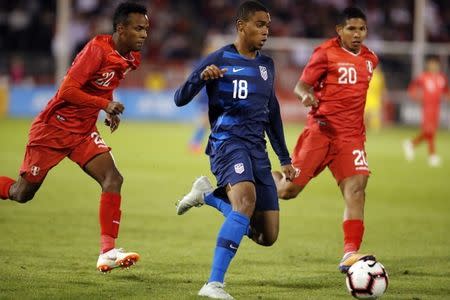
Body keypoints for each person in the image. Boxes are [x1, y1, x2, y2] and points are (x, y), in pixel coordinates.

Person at [0, 2, 149, 273]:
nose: (144, 34)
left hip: (83, 131)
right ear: (121, 29)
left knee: (113, 178)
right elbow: (67, 90)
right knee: (22, 194)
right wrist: (104, 105)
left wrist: (109, 107)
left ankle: (107, 252)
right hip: (53, 129)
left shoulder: (131, 59)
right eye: (138, 28)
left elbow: (105, 85)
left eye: (146, 29)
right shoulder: (97, 49)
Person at [173, 1, 296, 298]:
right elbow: (179, 97)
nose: (266, 31)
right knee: (245, 202)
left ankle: (207, 196)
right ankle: (213, 284)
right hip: (227, 144)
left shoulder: (267, 66)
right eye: (259, 24)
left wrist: (284, 157)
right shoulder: (218, 58)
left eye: (267, 25)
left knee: (267, 235)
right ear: (241, 26)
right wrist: (200, 78)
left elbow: (273, 114)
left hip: (257, 150)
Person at [272, 7, 378, 274]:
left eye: (362, 29)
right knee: (288, 191)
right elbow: (300, 85)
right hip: (320, 133)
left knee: (356, 190)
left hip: (351, 137)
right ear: (339, 30)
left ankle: (350, 253)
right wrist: (306, 96)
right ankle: (258, 183)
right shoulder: (325, 53)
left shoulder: (370, 59)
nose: (357, 34)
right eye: (351, 29)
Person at [403, 55, 449, 167]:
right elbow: (412, 89)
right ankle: (432, 156)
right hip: (427, 107)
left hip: (437, 108)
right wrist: (416, 97)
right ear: (428, 65)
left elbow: (446, 91)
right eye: (431, 64)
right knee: (429, 131)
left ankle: (411, 144)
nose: (434, 66)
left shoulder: (442, 78)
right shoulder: (423, 77)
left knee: (430, 132)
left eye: (435, 64)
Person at [365, 66, 388, 132]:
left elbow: (383, 90)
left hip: (375, 102)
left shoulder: (379, 76)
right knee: (367, 121)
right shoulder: (366, 75)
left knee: (374, 123)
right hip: (367, 101)